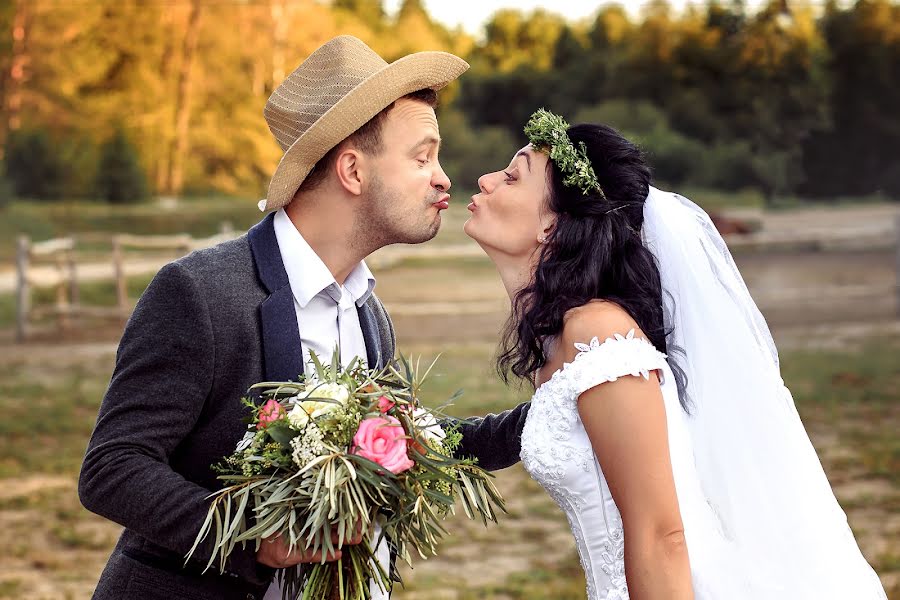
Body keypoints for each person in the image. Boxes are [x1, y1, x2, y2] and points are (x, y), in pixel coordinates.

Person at [78, 36, 529, 600]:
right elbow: (114, 467)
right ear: (353, 171)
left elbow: (408, 444)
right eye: (422, 157)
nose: (443, 178)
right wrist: (252, 539)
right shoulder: (202, 293)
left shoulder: (369, 313)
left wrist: (550, 414)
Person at [464, 108, 887, 599]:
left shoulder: (597, 332)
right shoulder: (563, 339)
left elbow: (662, 537)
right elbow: (516, 431)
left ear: (553, 229)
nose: (486, 179)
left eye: (512, 176)